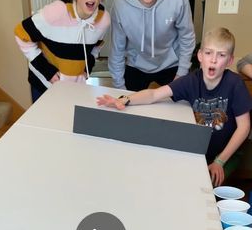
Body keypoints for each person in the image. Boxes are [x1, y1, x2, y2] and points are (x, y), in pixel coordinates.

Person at [97, 27, 252, 187]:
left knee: (208, 185)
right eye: (208, 53)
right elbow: (154, 95)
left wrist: (220, 161)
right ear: (200, 56)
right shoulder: (191, 81)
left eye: (221, 55)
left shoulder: (235, 84)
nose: (213, 60)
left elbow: (244, 127)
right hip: (199, 149)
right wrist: (125, 99)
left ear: (230, 61)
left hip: (227, 153)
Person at [14, 0, 110, 102]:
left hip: (75, 86)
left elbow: (96, 47)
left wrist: (87, 68)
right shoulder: (56, 12)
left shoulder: (104, 20)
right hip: (44, 84)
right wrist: (47, 72)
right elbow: (20, 33)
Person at [108, 0, 195, 91]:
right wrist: (119, 87)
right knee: (127, 106)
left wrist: (181, 74)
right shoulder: (120, 6)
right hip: (136, 65)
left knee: (180, 106)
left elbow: (187, 36)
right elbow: (117, 50)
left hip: (171, 64)